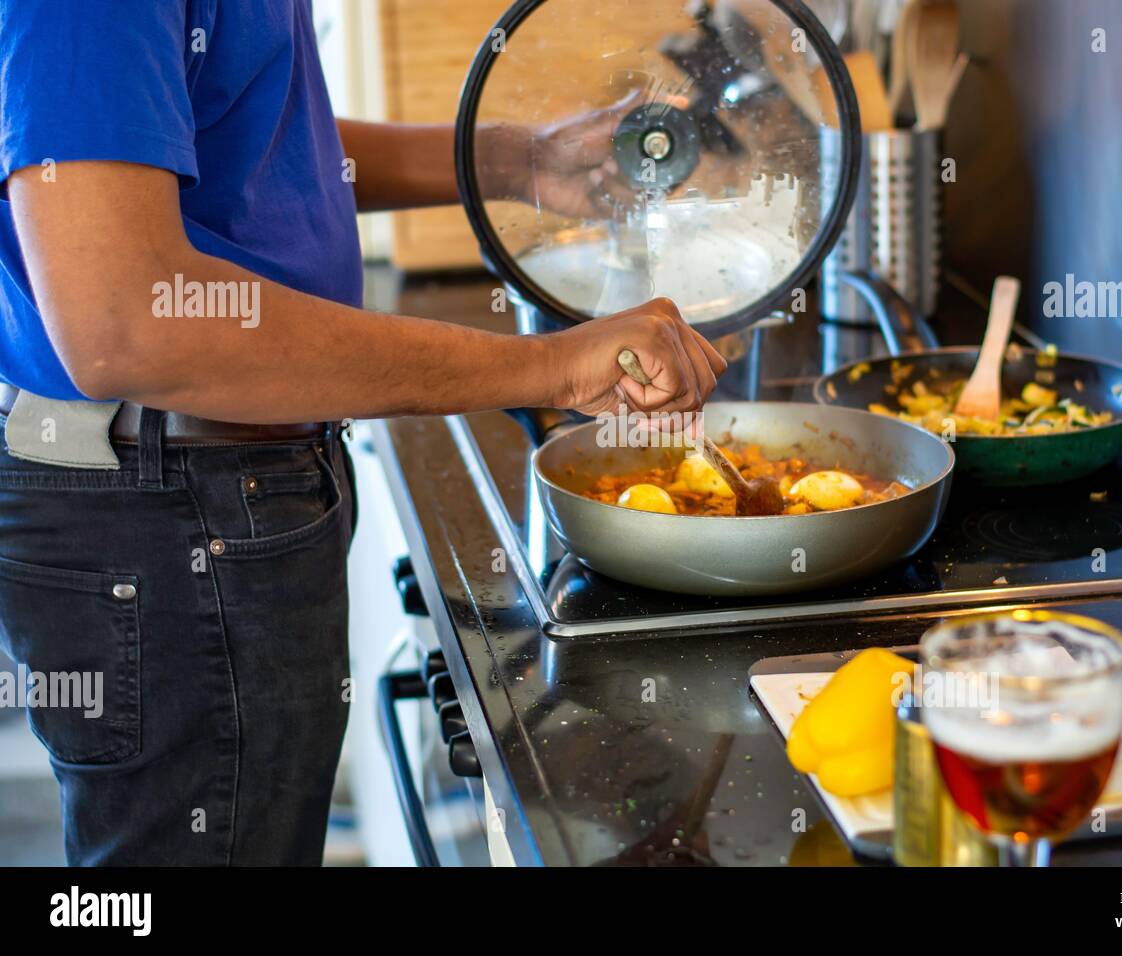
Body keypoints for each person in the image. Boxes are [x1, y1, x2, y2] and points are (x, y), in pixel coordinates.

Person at [0, 1, 724, 865]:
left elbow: (240, 135)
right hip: (167, 505)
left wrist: (518, 158)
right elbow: (130, 323)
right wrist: (552, 367)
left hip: (215, 480)